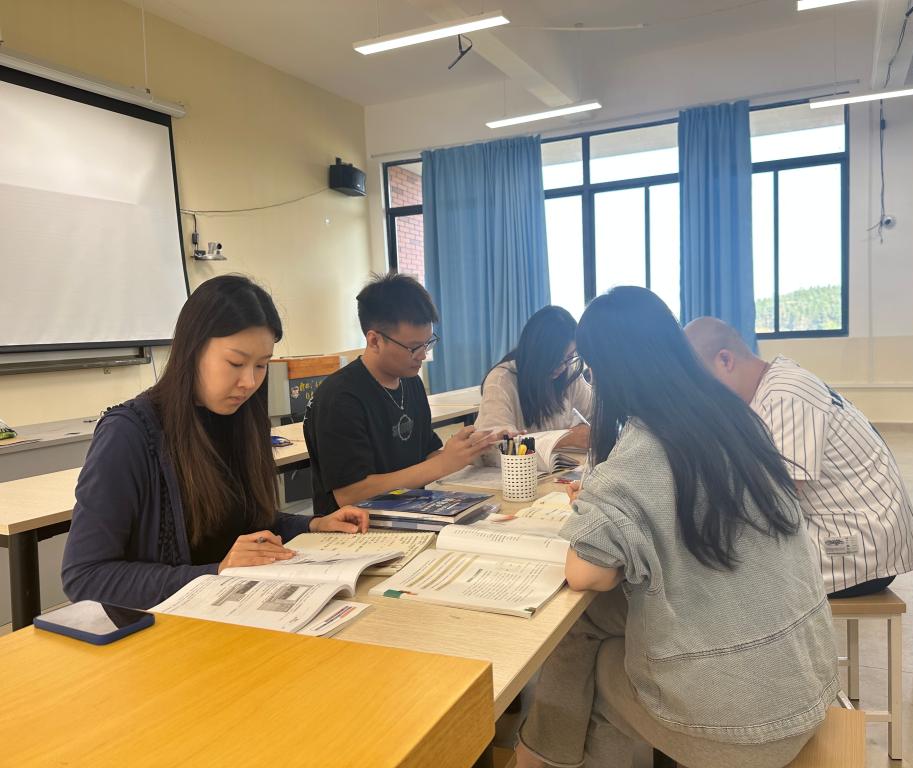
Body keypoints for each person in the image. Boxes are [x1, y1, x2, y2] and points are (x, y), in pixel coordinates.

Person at [516, 287, 838, 768]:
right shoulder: (734, 417)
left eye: (589, 370)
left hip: (742, 734)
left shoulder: (643, 448)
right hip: (804, 690)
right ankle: (540, 755)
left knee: (594, 660)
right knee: (596, 620)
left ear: (608, 371)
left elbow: (586, 574)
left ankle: (537, 756)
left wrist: (605, 513)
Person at [62, 275, 368, 610]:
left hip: (238, 607)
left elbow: (243, 523)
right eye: (235, 363)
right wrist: (216, 573)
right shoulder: (129, 434)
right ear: (192, 350)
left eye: (261, 366)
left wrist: (313, 524)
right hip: (169, 623)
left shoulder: (240, 419)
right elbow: (84, 576)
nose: (249, 382)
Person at [684, 316, 913, 598]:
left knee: (717, 576)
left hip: (858, 547)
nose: (702, 399)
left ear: (725, 360)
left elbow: (775, 502)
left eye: (701, 384)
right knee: (712, 556)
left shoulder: (785, 397)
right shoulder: (771, 386)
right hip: (843, 531)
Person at [304, 273, 493, 513]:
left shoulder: (410, 382)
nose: (423, 355)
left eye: (428, 343)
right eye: (414, 347)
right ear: (374, 341)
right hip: (359, 527)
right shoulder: (340, 398)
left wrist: (473, 450)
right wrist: (444, 464)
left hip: (415, 514)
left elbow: (426, 455)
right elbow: (351, 494)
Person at [474, 305, 592, 450]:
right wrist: (564, 439)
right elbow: (499, 446)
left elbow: (595, 413)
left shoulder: (568, 374)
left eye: (569, 357)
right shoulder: (501, 381)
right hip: (511, 465)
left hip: (557, 463)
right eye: (554, 359)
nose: (562, 367)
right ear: (535, 352)